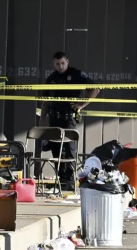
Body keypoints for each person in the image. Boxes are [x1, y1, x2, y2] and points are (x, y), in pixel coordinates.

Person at [38, 52, 100, 190]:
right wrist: (42, 120)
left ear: (67, 61)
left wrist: (81, 105)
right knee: (56, 151)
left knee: (69, 151)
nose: (60, 66)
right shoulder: (52, 78)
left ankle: (70, 184)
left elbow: (95, 89)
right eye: (57, 64)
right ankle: (61, 183)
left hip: (68, 118)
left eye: (62, 63)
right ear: (54, 64)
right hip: (54, 119)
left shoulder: (76, 74)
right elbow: (46, 102)